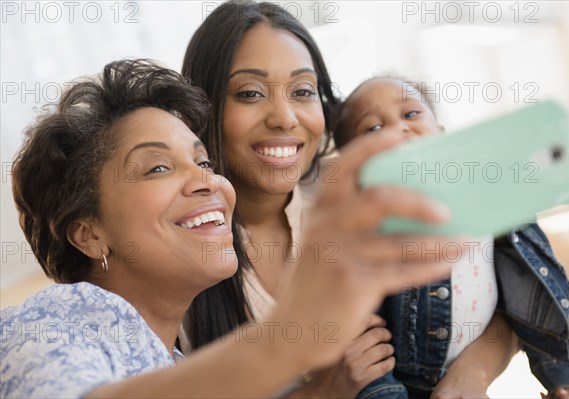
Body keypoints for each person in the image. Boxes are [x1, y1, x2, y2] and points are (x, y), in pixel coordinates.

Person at [0, 58, 463, 398]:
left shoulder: (174, 363)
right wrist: (288, 338)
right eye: (158, 167)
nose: (208, 181)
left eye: (203, 160)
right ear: (88, 233)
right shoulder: (54, 319)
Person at [180, 1, 541, 397]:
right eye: (250, 93)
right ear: (203, 107)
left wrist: (473, 374)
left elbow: (496, 293)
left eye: (303, 91)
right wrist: (322, 392)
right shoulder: (184, 256)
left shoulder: (353, 199)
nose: (284, 117)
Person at [333, 76, 569, 399]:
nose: (398, 130)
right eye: (373, 129)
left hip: (467, 383)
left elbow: (528, 278)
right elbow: (363, 341)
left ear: (440, 133)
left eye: (410, 114)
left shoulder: (487, 200)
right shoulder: (368, 238)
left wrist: (554, 371)